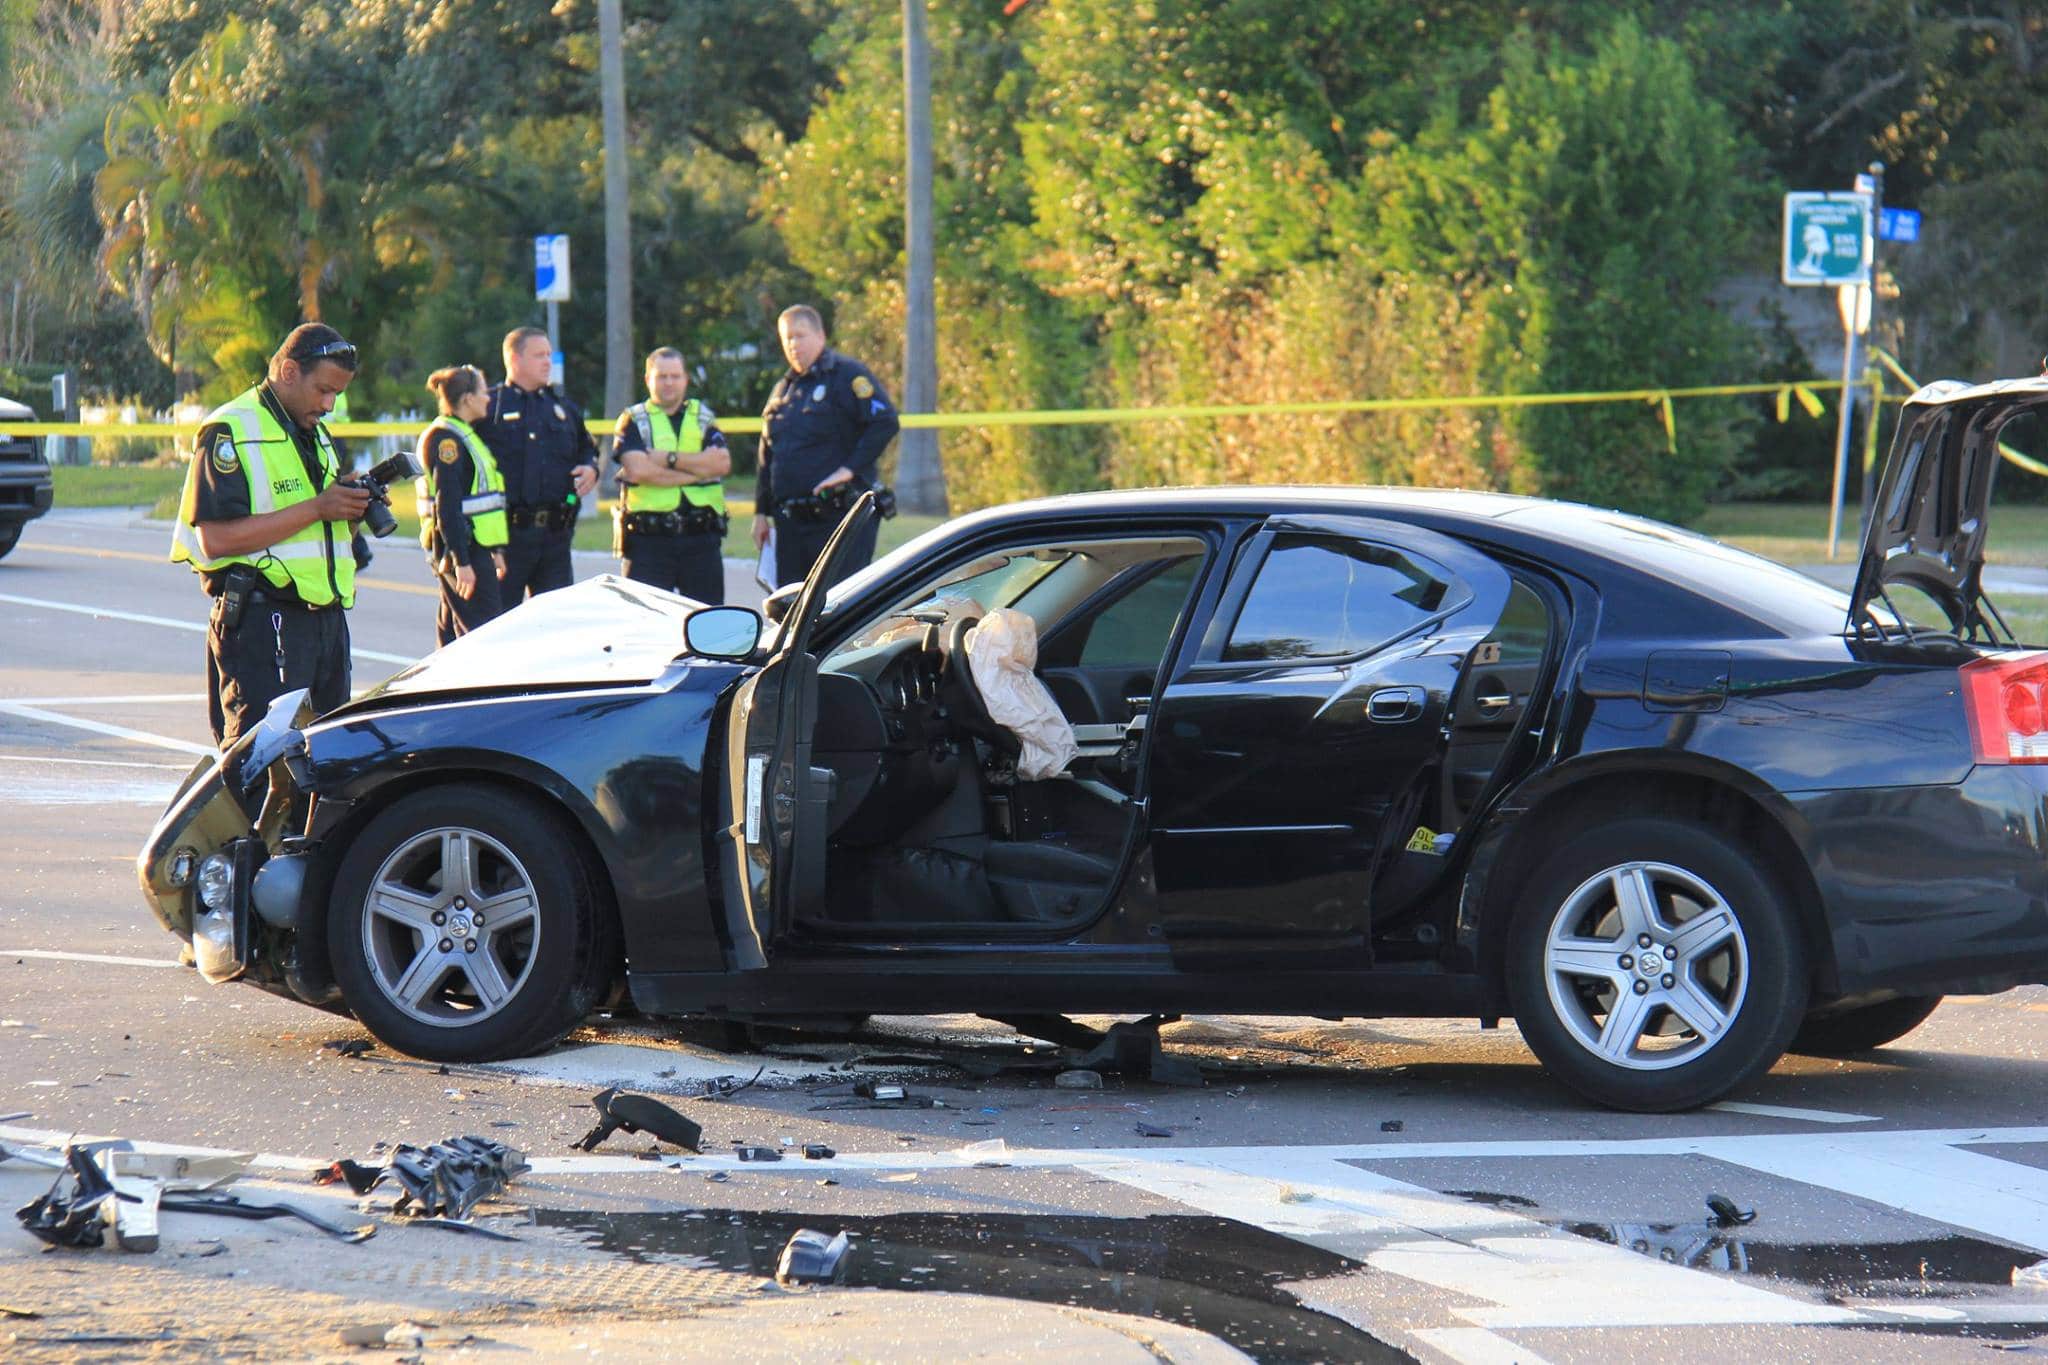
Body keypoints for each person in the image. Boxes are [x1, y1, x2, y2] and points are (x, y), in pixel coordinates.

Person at [171, 323, 371, 748]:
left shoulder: (313, 433)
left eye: (337, 393)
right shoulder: (229, 429)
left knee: (332, 759)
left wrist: (350, 510)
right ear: (288, 372)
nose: (330, 404)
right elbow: (216, 540)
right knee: (262, 763)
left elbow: (317, 533)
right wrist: (319, 507)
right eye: (323, 390)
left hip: (324, 624)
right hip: (266, 625)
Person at [751, 305, 899, 588]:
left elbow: (885, 422)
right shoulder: (783, 390)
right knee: (792, 609)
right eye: (787, 338)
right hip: (791, 524)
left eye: (800, 335)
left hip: (838, 518)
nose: (794, 344)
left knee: (840, 607)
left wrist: (848, 470)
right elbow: (767, 455)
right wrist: (761, 513)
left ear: (820, 335)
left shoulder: (846, 375)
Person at [476, 326, 598, 601]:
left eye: (549, 355)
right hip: (507, 537)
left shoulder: (563, 408)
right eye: (539, 355)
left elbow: (586, 448)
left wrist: (591, 467)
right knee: (500, 623)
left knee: (555, 625)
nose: (547, 362)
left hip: (555, 536)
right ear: (515, 359)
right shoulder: (488, 408)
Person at [611, 347, 733, 603]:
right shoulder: (633, 420)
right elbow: (639, 470)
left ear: (685, 379)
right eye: (662, 376)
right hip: (649, 543)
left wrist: (669, 459)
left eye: (675, 376)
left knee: (709, 624)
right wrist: (698, 472)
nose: (669, 382)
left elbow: (721, 464)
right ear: (648, 379)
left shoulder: (702, 416)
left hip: (701, 541)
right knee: (645, 626)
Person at [415, 364, 509, 645]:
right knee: (481, 639)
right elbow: (447, 507)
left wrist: (494, 550)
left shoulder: (463, 434)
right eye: (483, 392)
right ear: (467, 398)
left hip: (474, 548)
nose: (488, 399)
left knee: (452, 638)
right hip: (463, 550)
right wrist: (462, 562)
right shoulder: (446, 440)